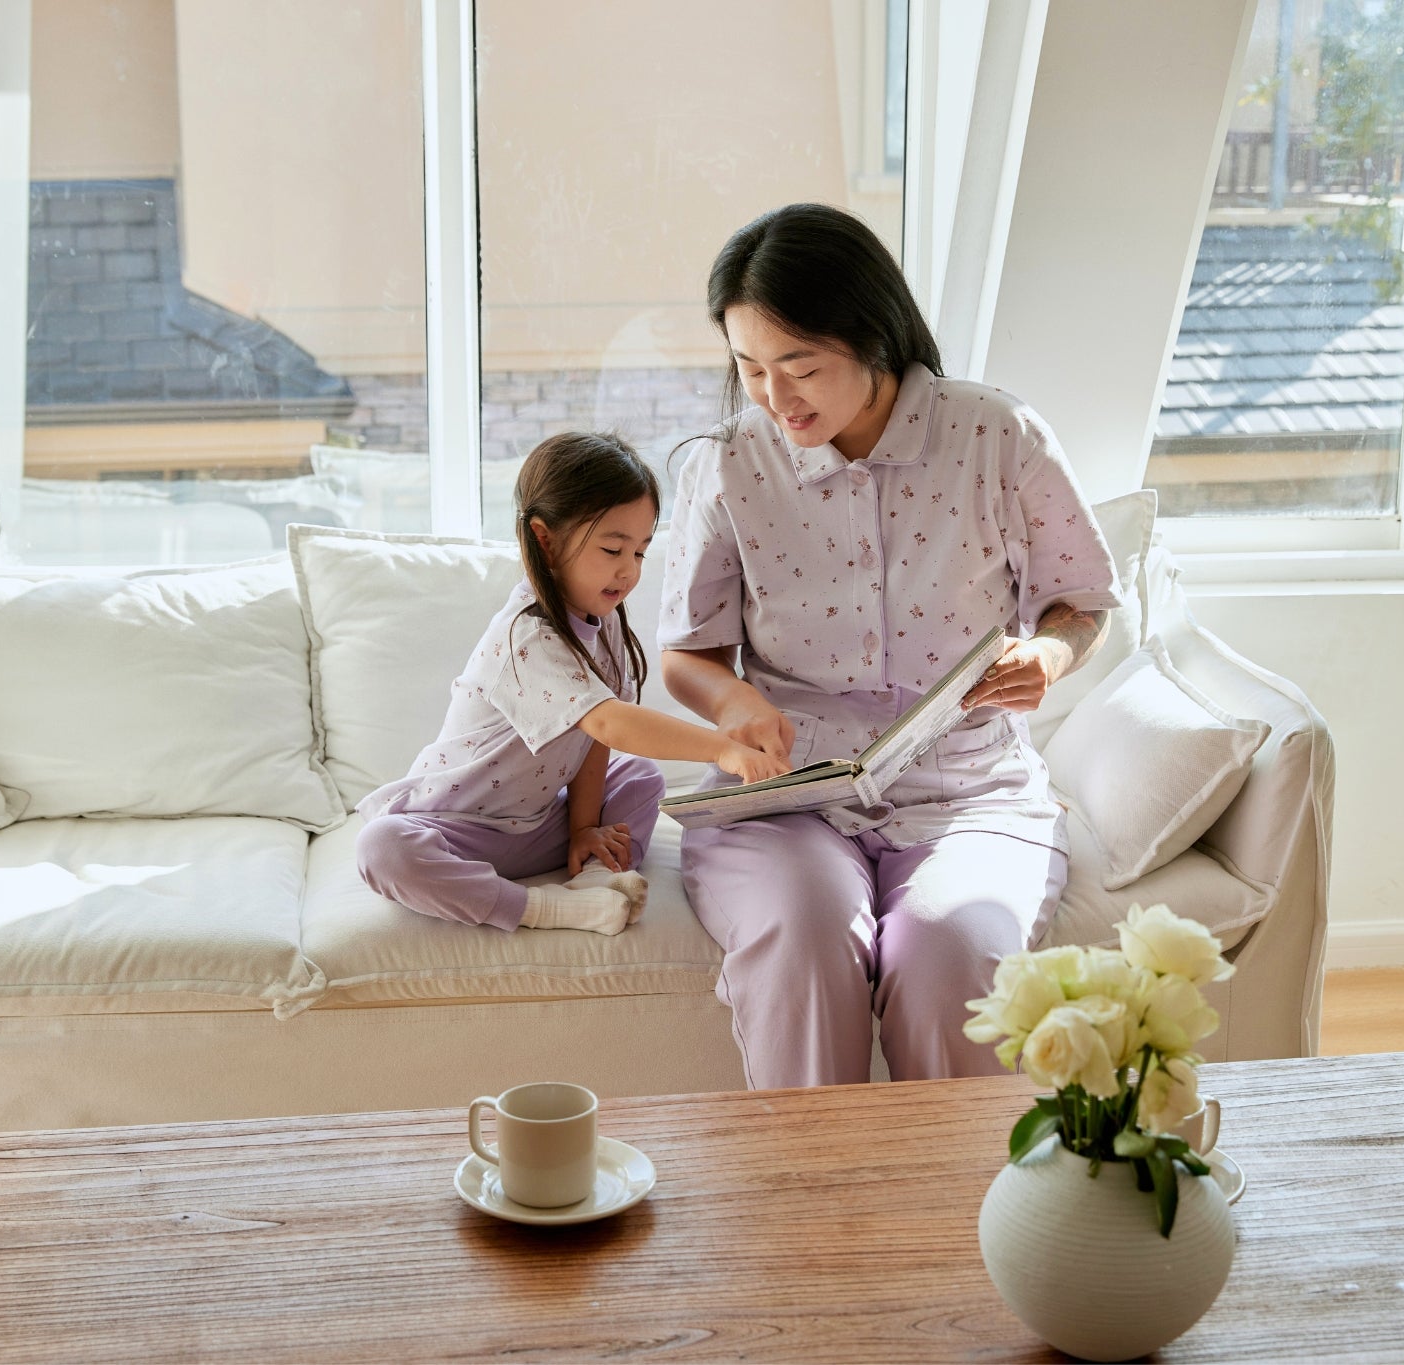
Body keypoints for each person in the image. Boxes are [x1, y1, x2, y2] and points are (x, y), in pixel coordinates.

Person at [658, 203, 1122, 1084]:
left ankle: (950, 1217)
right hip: (784, 799)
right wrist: (737, 702)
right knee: (801, 934)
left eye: (802, 367)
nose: (774, 397)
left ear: (874, 337)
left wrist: (1051, 656)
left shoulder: (997, 436)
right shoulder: (726, 464)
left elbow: (1084, 600)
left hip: (967, 792)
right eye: (749, 367)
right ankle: (816, 1211)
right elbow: (687, 652)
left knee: (951, 952)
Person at [355, 432, 788, 936]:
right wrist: (722, 750)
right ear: (546, 539)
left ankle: (598, 875)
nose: (628, 571)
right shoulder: (527, 635)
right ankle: (545, 908)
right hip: (458, 830)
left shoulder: (604, 631)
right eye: (612, 549)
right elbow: (609, 721)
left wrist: (584, 830)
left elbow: (595, 743)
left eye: (642, 553)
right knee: (383, 847)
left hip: (535, 825)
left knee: (640, 777)